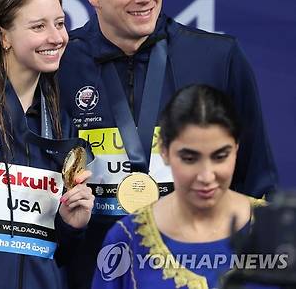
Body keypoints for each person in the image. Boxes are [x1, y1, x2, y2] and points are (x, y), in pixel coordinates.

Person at [57, 0, 278, 288]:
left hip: (197, 272)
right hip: (89, 272)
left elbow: (257, 183)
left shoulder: (216, 57)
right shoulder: (61, 64)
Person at [0, 0, 95, 289]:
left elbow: (59, 249)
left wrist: (73, 225)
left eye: (59, 23)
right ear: (2, 36)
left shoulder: (60, 121)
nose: (56, 37)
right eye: (38, 27)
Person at [91, 84, 266, 289]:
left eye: (220, 157)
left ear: (236, 147)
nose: (206, 176)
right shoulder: (127, 239)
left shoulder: (278, 231)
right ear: (164, 150)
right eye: (190, 158)